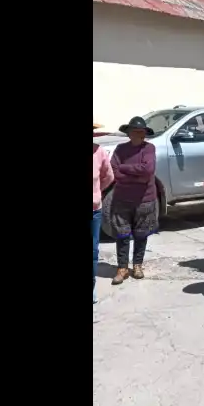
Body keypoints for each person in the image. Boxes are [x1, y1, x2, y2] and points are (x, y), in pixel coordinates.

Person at [109, 116, 158, 285]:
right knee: (122, 235)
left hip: (144, 200)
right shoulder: (120, 149)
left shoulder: (149, 149)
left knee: (141, 234)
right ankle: (122, 268)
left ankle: (137, 265)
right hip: (122, 199)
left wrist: (125, 169)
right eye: (135, 131)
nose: (139, 134)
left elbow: (148, 170)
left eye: (142, 132)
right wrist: (135, 175)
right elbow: (114, 171)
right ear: (129, 133)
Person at [93, 124, 114, 305]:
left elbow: (108, 176)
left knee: (93, 252)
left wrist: (97, 192)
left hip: (94, 210)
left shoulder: (99, 152)